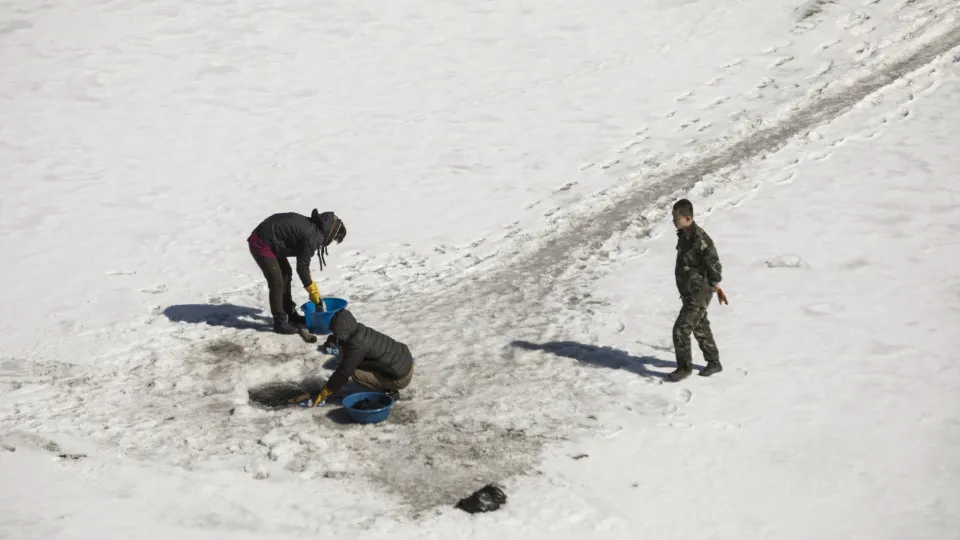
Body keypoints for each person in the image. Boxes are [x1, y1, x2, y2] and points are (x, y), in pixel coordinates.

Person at [247, 209, 346, 334]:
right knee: (277, 283)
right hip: (262, 243)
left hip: (273, 240)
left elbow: (303, 265)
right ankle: (280, 321)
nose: (331, 242)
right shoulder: (313, 237)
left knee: (286, 273)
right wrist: (313, 291)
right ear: (332, 234)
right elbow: (302, 267)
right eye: (334, 239)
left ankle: (290, 313)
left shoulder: (315, 229)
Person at [670, 198, 728, 382]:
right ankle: (714, 362)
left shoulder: (701, 239)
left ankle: (684, 368)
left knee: (681, 329)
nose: (674, 221)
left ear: (688, 218)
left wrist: (715, 286)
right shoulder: (684, 235)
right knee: (700, 326)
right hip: (689, 291)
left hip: (699, 292)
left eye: (676, 218)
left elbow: (714, 266)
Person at [310, 309, 414, 405]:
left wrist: (327, 390)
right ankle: (386, 382)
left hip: (401, 377)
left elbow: (344, 371)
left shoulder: (357, 346)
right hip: (406, 362)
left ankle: (388, 392)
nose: (335, 335)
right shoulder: (360, 329)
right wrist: (331, 341)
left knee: (355, 373)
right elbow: (341, 339)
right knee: (357, 360)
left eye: (336, 332)